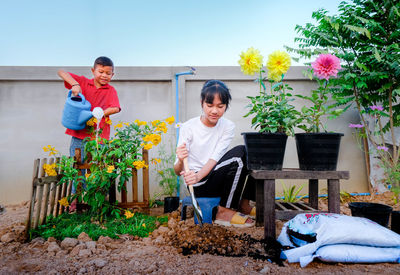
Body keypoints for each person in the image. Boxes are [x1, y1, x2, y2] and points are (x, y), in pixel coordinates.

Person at [174, 79, 256, 227]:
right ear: (202, 103)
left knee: (251, 152)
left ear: (226, 106)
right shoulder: (188, 127)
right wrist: (180, 160)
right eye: (209, 105)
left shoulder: (227, 126)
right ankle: (223, 212)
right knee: (239, 156)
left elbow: (215, 159)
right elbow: (176, 170)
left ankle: (244, 204)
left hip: (212, 175)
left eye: (220, 106)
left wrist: (199, 174)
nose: (214, 111)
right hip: (197, 184)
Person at [57, 56, 121, 210]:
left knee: (97, 169)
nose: (104, 75)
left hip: (99, 138)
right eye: (101, 71)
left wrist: (101, 113)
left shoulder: (111, 90)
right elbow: (61, 72)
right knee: (78, 168)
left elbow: (116, 108)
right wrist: (75, 84)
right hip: (79, 134)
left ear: (112, 75)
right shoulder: (84, 82)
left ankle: (95, 204)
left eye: (108, 73)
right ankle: (76, 204)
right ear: (93, 71)